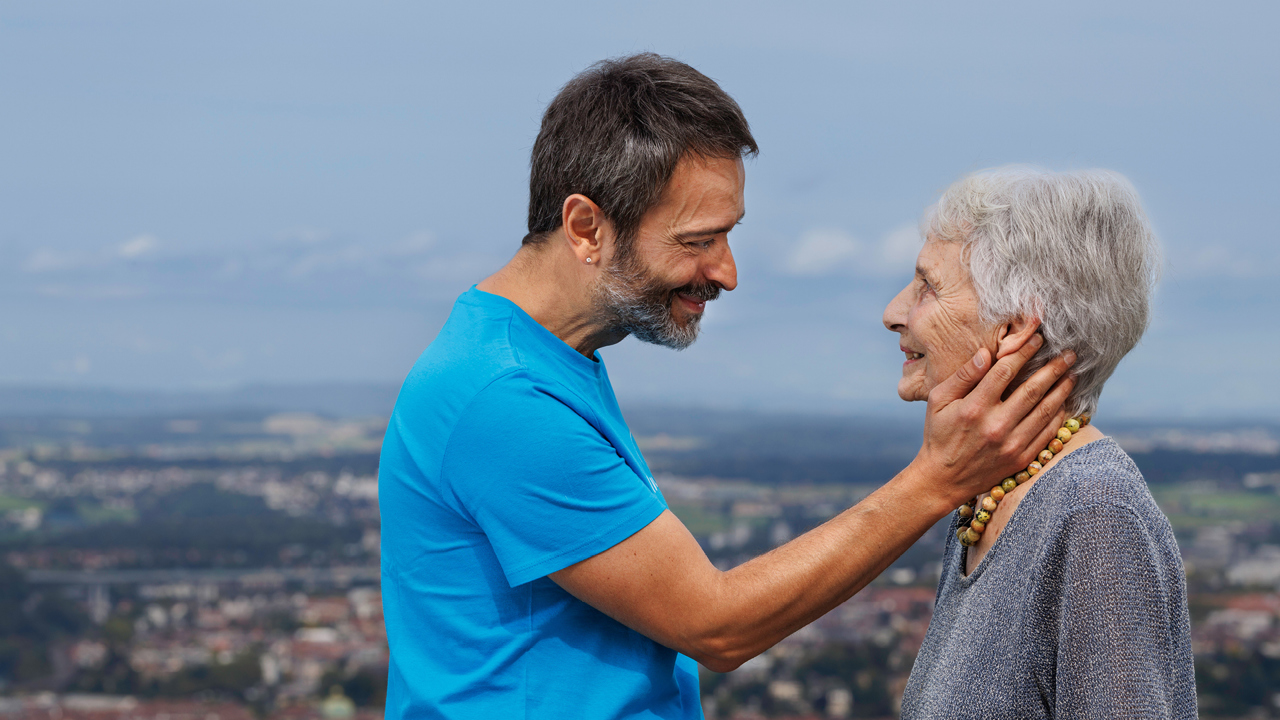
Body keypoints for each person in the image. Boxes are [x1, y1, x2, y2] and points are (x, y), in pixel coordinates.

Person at [377, 55, 1076, 719]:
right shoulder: (503, 398)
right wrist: (939, 478)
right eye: (696, 241)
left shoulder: (541, 357)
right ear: (586, 227)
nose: (727, 272)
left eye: (729, 235)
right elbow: (716, 625)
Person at [885, 167, 1197, 718]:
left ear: (1013, 329)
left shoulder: (1095, 514)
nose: (893, 314)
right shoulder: (989, 493)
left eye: (926, 287)